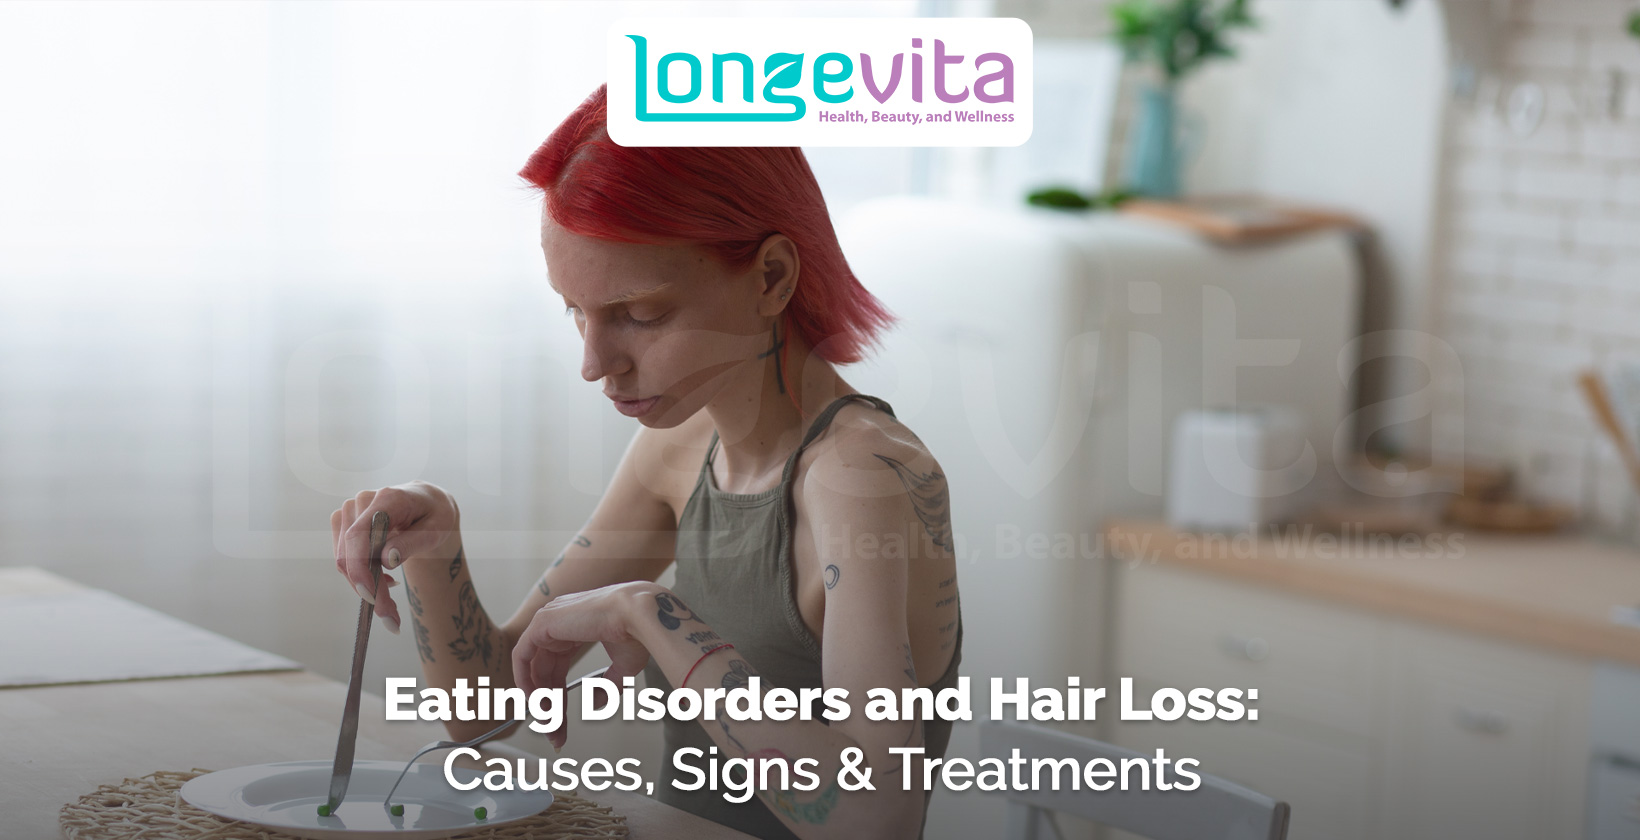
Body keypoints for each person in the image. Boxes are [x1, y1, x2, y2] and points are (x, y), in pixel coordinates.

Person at [330, 83, 962, 840]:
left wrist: (648, 612)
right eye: (576, 312)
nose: (595, 364)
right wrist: (435, 543)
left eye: (640, 314)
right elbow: (486, 710)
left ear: (771, 278)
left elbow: (877, 819)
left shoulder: (861, 478)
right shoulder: (679, 447)